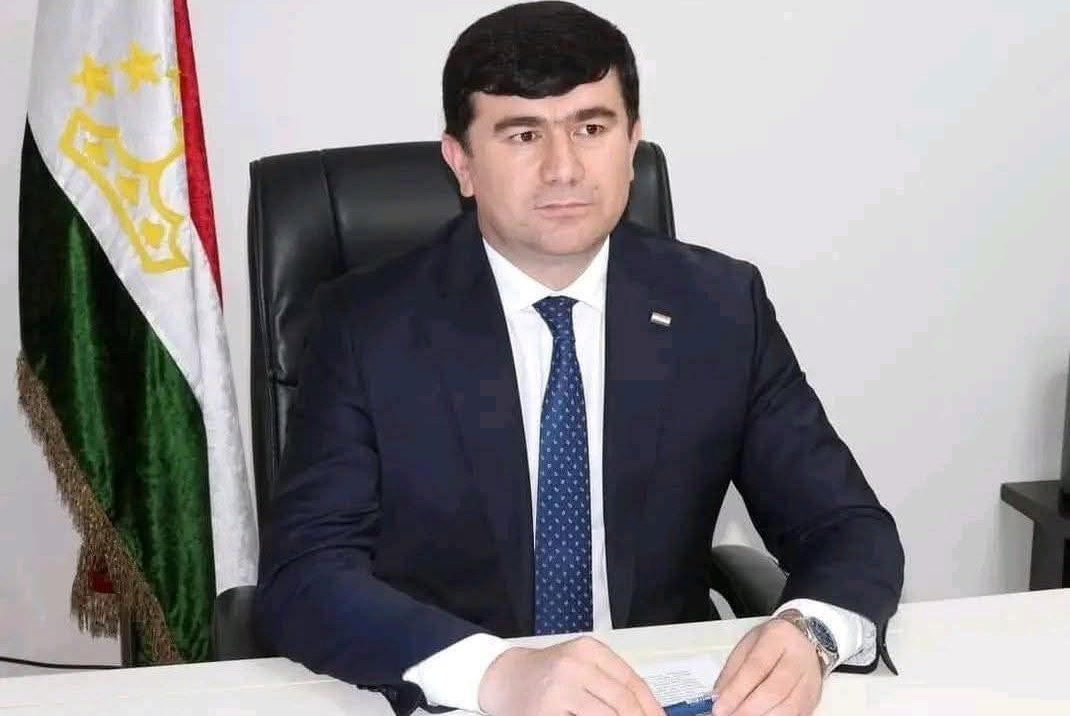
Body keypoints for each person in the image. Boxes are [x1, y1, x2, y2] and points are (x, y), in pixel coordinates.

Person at [253, 3, 905, 716]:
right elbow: (304, 575)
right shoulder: (365, 324)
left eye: (591, 128)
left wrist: (809, 632)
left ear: (632, 143)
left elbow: (847, 527)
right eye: (523, 134)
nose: (563, 169)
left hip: (658, 692)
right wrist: (496, 672)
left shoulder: (720, 306)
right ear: (462, 162)